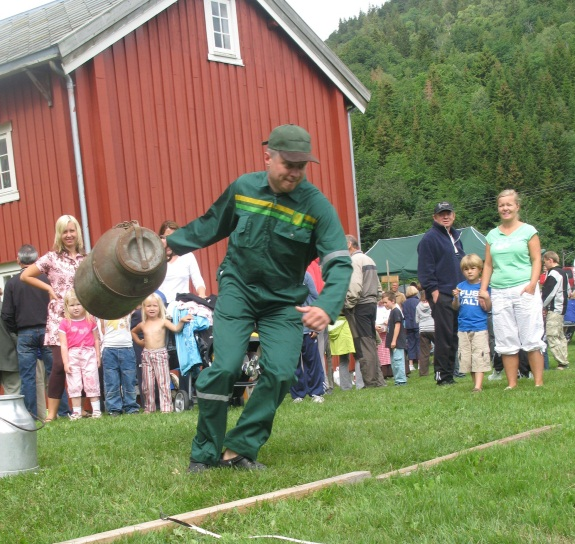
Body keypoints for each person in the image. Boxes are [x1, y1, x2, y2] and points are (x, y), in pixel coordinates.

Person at [166, 124, 352, 472]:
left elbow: (338, 262)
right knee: (224, 367)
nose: (295, 173)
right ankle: (204, 454)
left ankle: (239, 448)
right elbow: (210, 225)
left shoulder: (316, 207)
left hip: (283, 301)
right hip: (238, 289)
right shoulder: (244, 188)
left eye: (302, 166)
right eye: (288, 164)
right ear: (268, 157)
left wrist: (327, 306)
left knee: (281, 372)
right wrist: (169, 246)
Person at [21, 215, 86, 421]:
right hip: (59, 318)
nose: (69, 235)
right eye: (64, 231)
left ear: (77, 232)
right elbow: (25, 275)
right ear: (59, 234)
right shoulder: (51, 258)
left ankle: (82, 409)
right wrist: (48, 287)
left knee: (83, 362)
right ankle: (52, 414)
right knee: (58, 365)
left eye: (72, 230)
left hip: (82, 318)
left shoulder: (86, 260)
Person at [478, 189, 545, 389]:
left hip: (524, 288)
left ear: (517, 206)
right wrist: (484, 289)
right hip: (499, 291)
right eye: (501, 205)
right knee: (506, 337)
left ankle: (539, 383)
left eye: (509, 204)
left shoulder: (528, 231)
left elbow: (536, 259)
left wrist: (532, 284)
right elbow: (488, 265)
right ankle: (511, 384)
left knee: (531, 335)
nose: (505, 208)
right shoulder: (492, 235)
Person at [1, 245, 54, 417]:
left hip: (25, 333)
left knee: (28, 378)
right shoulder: (47, 280)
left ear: (18, 260)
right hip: (47, 330)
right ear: (37, 260)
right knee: (53, 374)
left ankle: (30, 415)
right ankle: (60, 412)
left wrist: (16, 331)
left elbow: (7, 314)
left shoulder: (12, 283)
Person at [417, 201, 465, 386]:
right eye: (441, 214)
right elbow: (425, 268)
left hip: (456, 293)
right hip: (442, 294)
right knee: (443, 337)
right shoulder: (430, 239)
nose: (445, 216)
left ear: (453, 215)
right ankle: (441, 376)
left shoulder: (456, 237)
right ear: (434, 217)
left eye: (448, 213)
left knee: (453, 336)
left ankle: (450, 373)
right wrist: (433, 291)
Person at [131, 293, 192, 413]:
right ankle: (149, 408)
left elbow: (175, 329)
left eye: (155, 306)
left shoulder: (163, 322)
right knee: (147, 385)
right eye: (148, 306)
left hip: (160, 354)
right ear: (144, 308)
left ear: (159, 308)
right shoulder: (143, 324)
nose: (152, 308)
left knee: (163, 382)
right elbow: (133, 331)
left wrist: (182, 321)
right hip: (147, 355)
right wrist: (139, 342)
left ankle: (166, 407)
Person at [343, 234, 385, 388]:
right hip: (371, 304)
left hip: (359, 306)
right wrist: (375, 299)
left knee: (363, 345)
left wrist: (348, 304)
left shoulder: (353, 261)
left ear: (349, 244)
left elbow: (354, 287)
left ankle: (371, 383)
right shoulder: (369, 259)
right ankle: (379, 381)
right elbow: (379, 288)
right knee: (371, 342)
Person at [59, 289, 101, 420]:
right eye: (72, 305)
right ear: (67, 307)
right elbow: (64, 345)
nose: (76, 308)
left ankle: (97, 410)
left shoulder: (90, 320)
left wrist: (98, 356)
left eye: (78, 304)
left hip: (89, 353)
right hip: (73, 355)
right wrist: (66, 362)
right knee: (74, 383)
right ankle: (76, 412)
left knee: (91, 380)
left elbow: (96, 339)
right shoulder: (65, 323)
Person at [452, 254, 492, 392]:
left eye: (473, 268)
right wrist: (456, 298)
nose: (469, 271)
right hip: (463, 327)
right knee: (467, 358)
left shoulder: (483, 287)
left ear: (480, 269)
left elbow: (488, 308)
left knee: (479, 355)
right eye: (466, 269)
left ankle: (478, 386)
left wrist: (486, 298)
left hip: (479, 327)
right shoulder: (460, 286)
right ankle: (476, 384)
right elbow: (456, 307)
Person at [290, 272, 326, 403]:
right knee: (293, 364)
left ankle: (316, 393)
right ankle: (298, 395)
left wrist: (316, 326)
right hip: (290, 329)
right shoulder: (281, 275)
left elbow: (315, 299)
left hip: (308, 327)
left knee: (312, 362)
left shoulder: (306, 276)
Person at [99, 314, 140, 416]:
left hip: (127, 348)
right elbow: (103, 329)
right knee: (111, 380)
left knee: (129, 380)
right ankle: (114, 408)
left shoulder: (126, 307)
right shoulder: (103, 310)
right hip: (109, 348)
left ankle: (131, 407)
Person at [158, 220, 207, 303]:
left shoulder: (187, 256)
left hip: (182, 304)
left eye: (174, 237)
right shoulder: (156, 258)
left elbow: (197, 280)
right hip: (160, 306)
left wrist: (202, 294)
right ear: (161, 238)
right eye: (167, 237)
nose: (170, 241)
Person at [541, 251, 571, 370]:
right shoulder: (564, 273)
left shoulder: (553, 273)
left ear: (550, 260)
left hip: (555, 308)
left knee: (552, 335)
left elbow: (549, 292)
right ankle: (564, 359)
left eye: (545, 262)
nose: (544, 264)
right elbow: (568, 290)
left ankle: (562, 361)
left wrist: (542, 305)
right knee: (560, 335)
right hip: (562, 308)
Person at [381, 291, 407, 386]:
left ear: (392, 301)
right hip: (393, 341)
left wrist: (394, 340)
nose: (384, 304)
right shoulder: (393, 311)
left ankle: (401, 381)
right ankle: (397, 380)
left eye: (385, 302)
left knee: (398, 360)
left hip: (397, 341)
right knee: (394, 362)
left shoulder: (396, 311)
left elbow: (398, 325)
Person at [328, 315, 361, 390]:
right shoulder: (346, 316)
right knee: (358, 357)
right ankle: (360, 384)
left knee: (343, 361)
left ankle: (345, 386)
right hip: (347, 330)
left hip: (334, 327)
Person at [415, 290, 434, 377]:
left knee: (424, 352)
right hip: (433, 327)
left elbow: (416, 319)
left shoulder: (418, 306)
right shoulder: (432, 304)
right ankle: (439, 367)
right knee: (439, 348)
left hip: (422, 329)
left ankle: (423, 372)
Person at [403, 285, 420, 373]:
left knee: (410, 344)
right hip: (417, 325)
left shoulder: (404, 303)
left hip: (408, 326)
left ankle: (410, 364)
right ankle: (420, 364)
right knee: (419, 343)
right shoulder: (418, 301)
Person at [375, 297, 392, 379]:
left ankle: (389, 371)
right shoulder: (375, 308)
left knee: (387, 351)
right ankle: (383, 372)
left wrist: (388, 321)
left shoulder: (387, 308)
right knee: (380, 352)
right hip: (378, 332)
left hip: (387, 331)